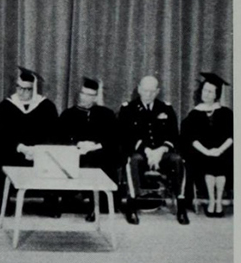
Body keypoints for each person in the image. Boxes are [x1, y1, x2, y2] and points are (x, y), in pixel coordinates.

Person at [119, 75, 189, 225]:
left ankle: (181, 204)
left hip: (162, 153)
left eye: (152, 91)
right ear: (139, 89)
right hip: (140, 153)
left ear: (157, 91)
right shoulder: (128, 109)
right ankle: (132, 204)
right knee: (133, 160)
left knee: (177, 160)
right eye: (145, 90)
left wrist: (161, 150)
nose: (148, 94)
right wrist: (147, 151)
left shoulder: (166, 108)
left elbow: (173, 135)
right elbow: (126, 136)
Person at [0, 67, 60, 217]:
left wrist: (37, 150)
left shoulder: (47, 107)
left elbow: (53, 135)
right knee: (1, 155)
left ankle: (50, 201)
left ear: (34, 89)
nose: (22, 93)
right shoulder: (6, 106)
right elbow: (0, 135)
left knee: (52, 157)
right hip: (13, 152)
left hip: (39, 153)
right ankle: (6, 201)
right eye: (19, 88)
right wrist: (20, 147)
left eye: (27, 89)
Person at [57, 77, 119, 222]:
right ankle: (66, 199)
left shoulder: (106, 114)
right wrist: (77, 145)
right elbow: (60, 137)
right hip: (74, 152)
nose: (85, 97)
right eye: (83, 93)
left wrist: (95, 146)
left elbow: (113, 138)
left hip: (99, 153)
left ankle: (94, 205)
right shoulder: (68, 114)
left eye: (90, 95)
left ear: (96, 97)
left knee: (98, 160)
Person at [181, 72, 233, 218]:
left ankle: (219, 201)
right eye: (204, 90)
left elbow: (232, 136)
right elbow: (191, 138)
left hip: (224, 151)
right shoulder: (194, 114)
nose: (206, 94)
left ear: (216, 94)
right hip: (201, 153)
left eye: (210, 91)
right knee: (209, 163)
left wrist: (220, 150)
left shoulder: (226, 113)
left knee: (222, 162)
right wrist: (207, 151)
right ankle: (211, 201)